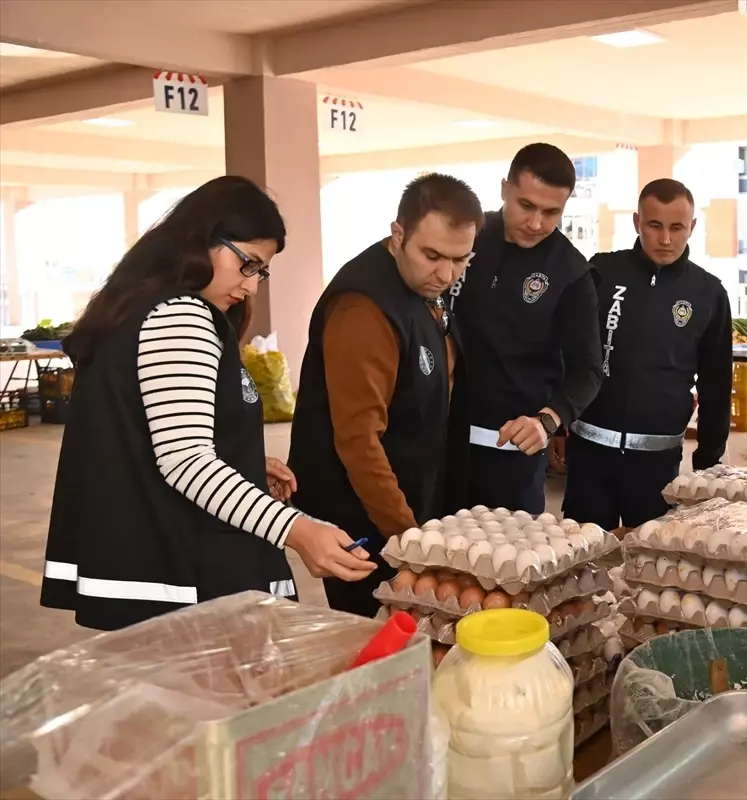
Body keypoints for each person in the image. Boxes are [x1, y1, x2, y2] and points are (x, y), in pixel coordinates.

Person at [41, 176, 376, 631]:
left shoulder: (141, 309)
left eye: (261, 271)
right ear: (202, 241)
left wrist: (245, 460)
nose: (252, 286)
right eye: (248, 264)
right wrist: (298, 531)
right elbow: (185, 462)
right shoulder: (182, 315)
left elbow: (154, 435)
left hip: (151, 566)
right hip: (182, 575)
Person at [288, 173, 481, 618]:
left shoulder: (422, 288)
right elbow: (358, 440)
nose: (445, 274)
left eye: (460, 260)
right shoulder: (363, 309)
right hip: (358, 516)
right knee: (362, 640)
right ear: (398, 234)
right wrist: (408, 537)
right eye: (431, 255)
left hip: (408, 497)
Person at [561, 179, 732, 530]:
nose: (665, 239)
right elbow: (570, 354)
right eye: (654, 226)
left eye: (677, 228)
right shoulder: (601, 273)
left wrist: (709, 463)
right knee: (583, 565)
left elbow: (717, 383)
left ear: (692, 227)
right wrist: (559, 427)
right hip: (589, 456)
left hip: (658, 465)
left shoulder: (709, 293)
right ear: (638, 222)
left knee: (653, 572)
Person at [448, 143, 602, 513]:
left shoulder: (571, 272)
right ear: (505, 189)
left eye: (552, 212)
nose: (536, 223)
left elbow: (588, 371)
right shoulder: (463, 239)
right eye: (526, 206)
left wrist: (546, 422)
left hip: (513, 455)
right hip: (440, 443)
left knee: (508, 566)